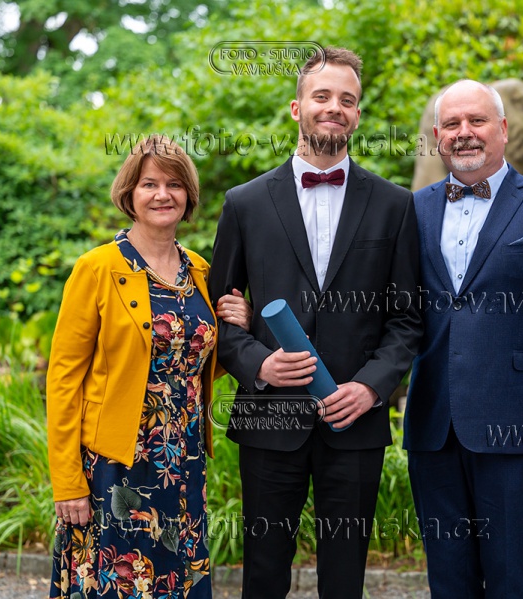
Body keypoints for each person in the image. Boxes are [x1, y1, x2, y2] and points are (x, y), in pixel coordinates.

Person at [209, 47, 422, 599]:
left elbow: (407, 319)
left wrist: (370, 388)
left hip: (354, 422)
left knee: (345, 579)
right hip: (267, 418)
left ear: (357, 115)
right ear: (296, 107)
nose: (334, 107)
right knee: (262, 575)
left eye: (347, 100)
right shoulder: (244, 203)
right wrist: (259, 365)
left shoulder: (396, 205)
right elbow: (217, 315)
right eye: (322, 96)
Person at [404, 79, 523, 598]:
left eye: (477, 120)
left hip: (520, 430)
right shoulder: (412, 210)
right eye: (451, 124)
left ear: (504, 129)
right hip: (433, 428)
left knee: (512, 581)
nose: (464, 132)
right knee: (448, 583)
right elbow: (394, 312)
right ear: (437, 137)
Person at [47, 135, 252, 599]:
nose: (163, 194)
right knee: (121, 583)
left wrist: (239, 322)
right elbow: (62, 380)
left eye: (174, 185)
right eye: (150, 184)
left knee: (178, 581)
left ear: (188, 196)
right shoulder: (97, 268)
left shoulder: (200, 270)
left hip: (183, 463)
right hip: (116, 464)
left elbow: (193, 365)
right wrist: (67, 483)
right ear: (130, 194)